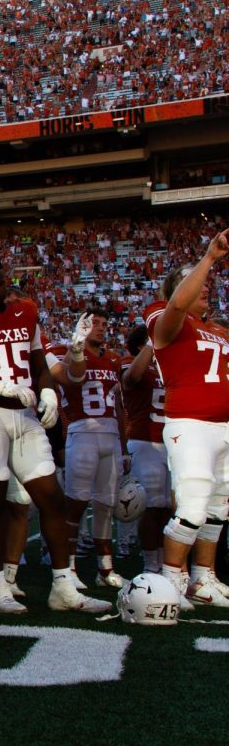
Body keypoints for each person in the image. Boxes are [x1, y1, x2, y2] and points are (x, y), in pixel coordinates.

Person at [0, 255, 110, 615]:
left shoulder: (25, 310)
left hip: (23, 413)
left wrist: (47, 392)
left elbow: (38, 365)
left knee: (51, 497)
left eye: (0, 283)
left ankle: (62, 585)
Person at [146, 239, 229, 606]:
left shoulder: (220, 330)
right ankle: (172, 580)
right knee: (192, 505)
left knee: (218, 506)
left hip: (223, 424)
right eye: (194, 282)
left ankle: (203, 578)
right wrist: (209, 258)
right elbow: (179, 302)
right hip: (190, 424)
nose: (204, 288)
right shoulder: (162, 315)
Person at [55, 309, 130, 587]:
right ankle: (69, 569)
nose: (99, 328)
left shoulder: (113, 359)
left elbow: (120, 407)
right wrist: (76, 345)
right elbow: (63, 375)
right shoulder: (72, 354)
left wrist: (123, 447)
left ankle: (105, 569)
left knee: (106, 505)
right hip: (82, 432)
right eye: (94, 323)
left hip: (110, 435)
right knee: (75, 504)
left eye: (103, 324)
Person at [121, 324, 169, 575]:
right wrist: (153, 342)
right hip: (145, 439)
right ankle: (151, 564)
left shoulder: (168, 362)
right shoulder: (131, 361)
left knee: (168, 508)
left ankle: (165, 562)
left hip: (172, 440)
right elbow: (132, 378)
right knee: (151, 507)